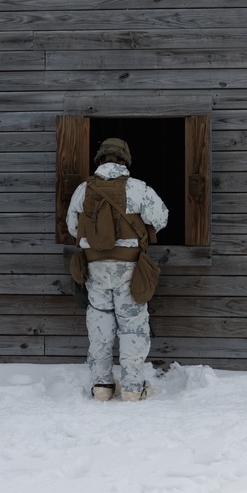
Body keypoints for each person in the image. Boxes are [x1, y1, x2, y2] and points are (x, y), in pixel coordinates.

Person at [66, 138, 168, 402]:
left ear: (100, 160)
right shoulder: (137, 188)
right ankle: (133, 388)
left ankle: (102, 386)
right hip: (129, 267)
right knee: (132, 326)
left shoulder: (82, 190)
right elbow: (161, 218)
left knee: (99, 324)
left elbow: (72, 228)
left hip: (95, 268)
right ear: (124, 161)